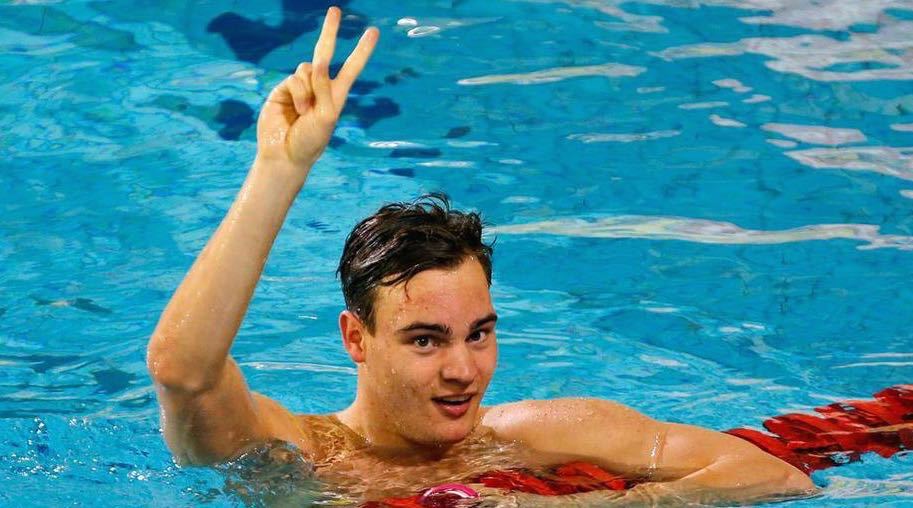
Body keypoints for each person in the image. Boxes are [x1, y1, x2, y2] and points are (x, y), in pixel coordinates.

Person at [147, 6, 816, 505]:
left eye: (479, 333)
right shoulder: (294, 458)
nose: (464, 370)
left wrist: (582, 507)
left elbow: (774, 474)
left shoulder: (536, 435)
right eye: (425, 340)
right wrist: (278, 171)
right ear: (356, 338)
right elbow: (182, 371)